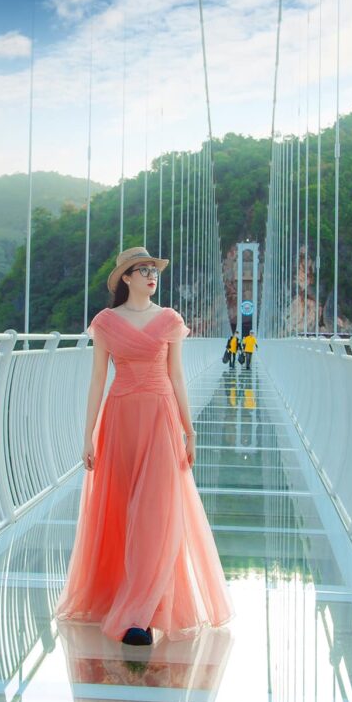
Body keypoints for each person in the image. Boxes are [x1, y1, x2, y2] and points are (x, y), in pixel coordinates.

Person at [55, 247, 234, 646]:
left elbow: (177, 376)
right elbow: (97, 379)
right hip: (119, 421)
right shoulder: (106, 322)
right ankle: (126, 598)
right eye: (143, 270)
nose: (152, 275)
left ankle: (141, 615)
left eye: (154, 270)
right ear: (125, 278)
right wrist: (87, 436)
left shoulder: (169, 319)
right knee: (122, 512)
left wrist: (190, 431)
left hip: (159, 420)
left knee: (154, 514)